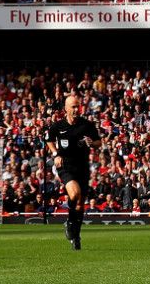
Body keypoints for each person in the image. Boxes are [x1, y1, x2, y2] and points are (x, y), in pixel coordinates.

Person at [46, 94, 104, 250]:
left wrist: (93, 143)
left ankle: (75, 235)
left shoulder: (87, 125)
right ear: (66, 108)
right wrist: (55, 154)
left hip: (83, 167)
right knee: (75, 193)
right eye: (73, 106)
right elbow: (49, 140)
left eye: (78, 106)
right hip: (65, 166)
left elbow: (99, 142)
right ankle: (71, 224)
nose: (76, 109)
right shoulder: (57, 126)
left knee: (80, 205)